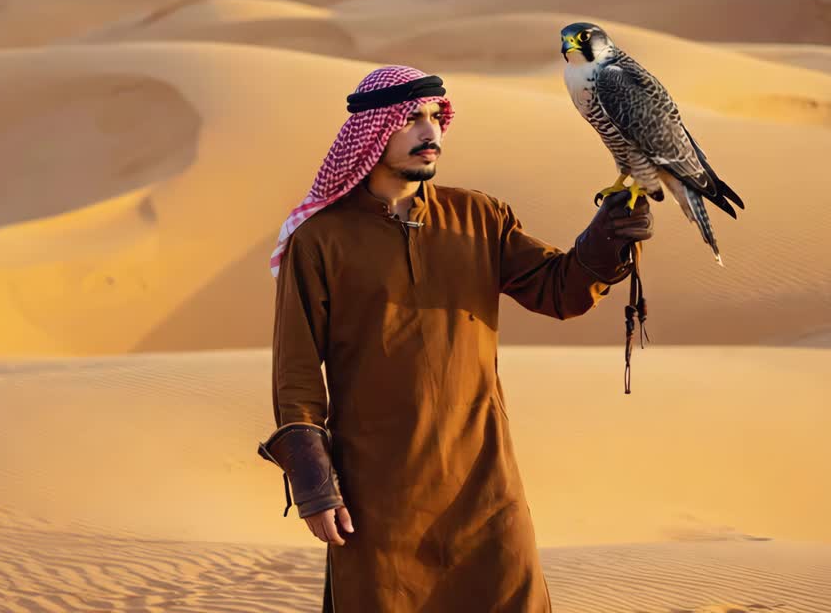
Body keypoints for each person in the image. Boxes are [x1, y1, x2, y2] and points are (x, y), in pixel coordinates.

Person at [256, 65, 653, 612]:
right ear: (374, 131)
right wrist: (314, 485)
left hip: (486, 487)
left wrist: (605, 241)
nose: (431, 132)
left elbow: (557, 292)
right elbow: (296, 373)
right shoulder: (321, 241)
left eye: (436, 117)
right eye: (412, 119)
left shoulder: (478, 216)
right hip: (379, 494)